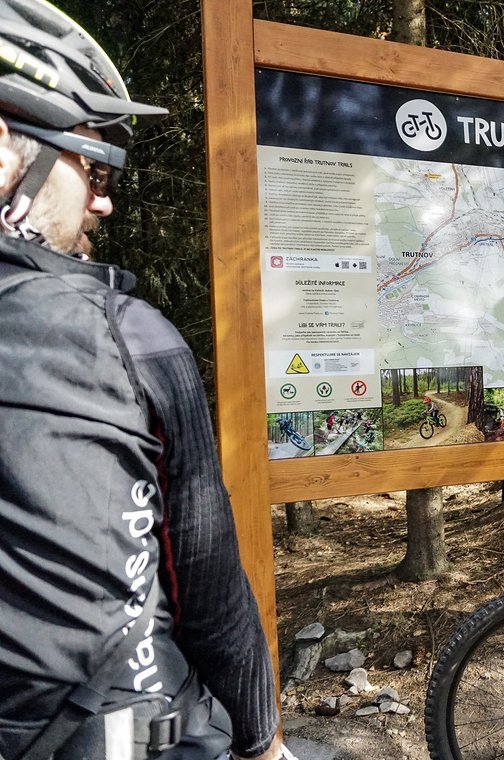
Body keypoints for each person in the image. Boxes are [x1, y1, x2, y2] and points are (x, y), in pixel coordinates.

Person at [0, 2, 283, 759]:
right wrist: (261, 740)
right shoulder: (126, 336)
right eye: (92, 167)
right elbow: (209, 585)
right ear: (3, 148)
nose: (104, 199)